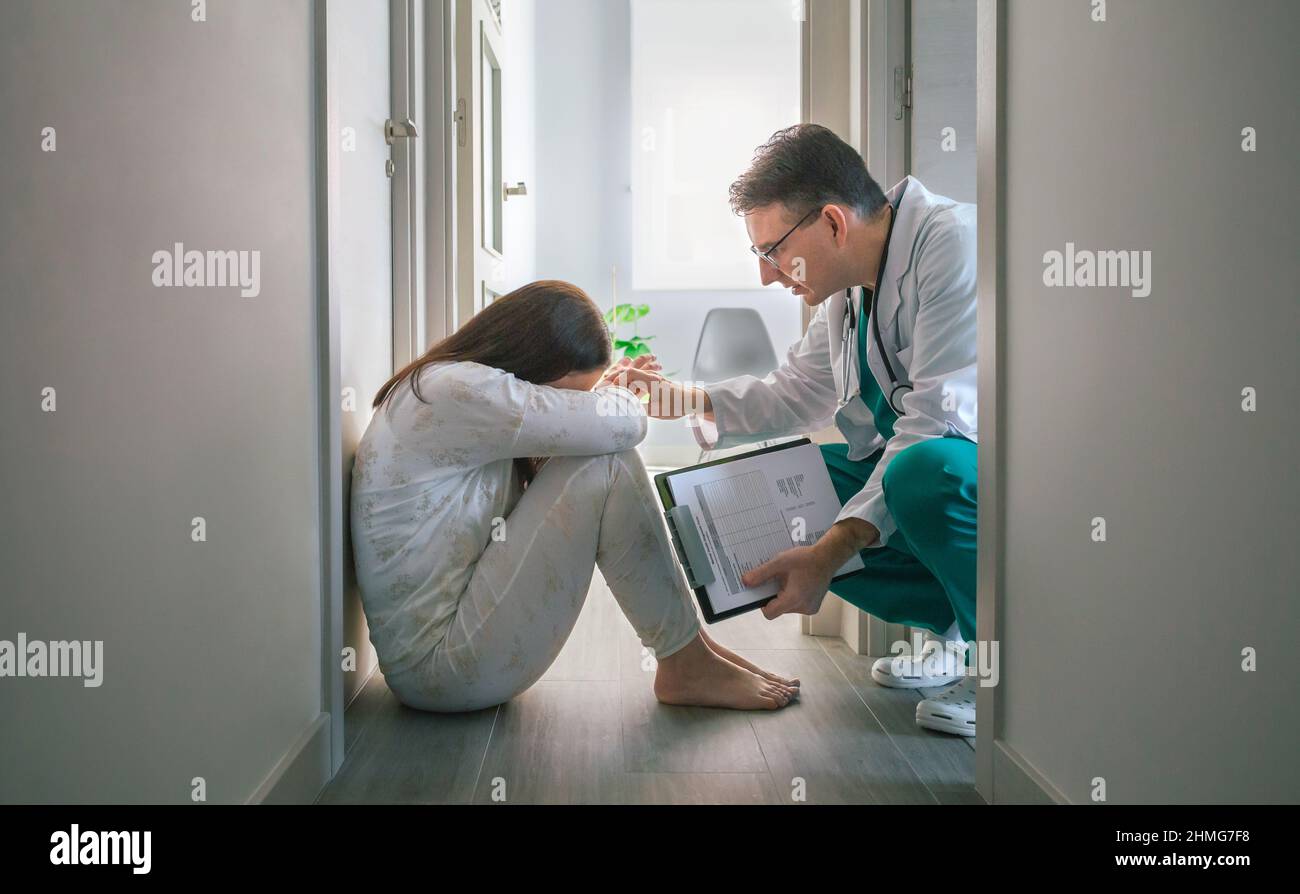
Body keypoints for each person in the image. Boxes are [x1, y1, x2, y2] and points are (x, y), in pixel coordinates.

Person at [619, 124, 980, 737]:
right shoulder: (847, 294)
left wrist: (829, 552)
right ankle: (952, 623)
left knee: (924, 473)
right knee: (773, 489)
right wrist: (681, 398)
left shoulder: (953, 245)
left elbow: (934, 423)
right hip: (930, 469)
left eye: (771, 252)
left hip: (987, 474)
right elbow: (793, 392)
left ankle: (1002, 664)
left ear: (833, 224)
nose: (767, 276)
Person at [349, 279, 800, 713]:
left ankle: (690, 649)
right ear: (542, 367)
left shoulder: (456, 386)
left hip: (446, 652)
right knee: (605, 460)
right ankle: (684, 658)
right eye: (573, 394)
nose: (575, 404)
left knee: (602, 454)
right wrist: (622, 394)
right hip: (441, 671)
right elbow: (625, 424)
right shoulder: (458, 390)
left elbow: (585, 424)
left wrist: (607, 395)